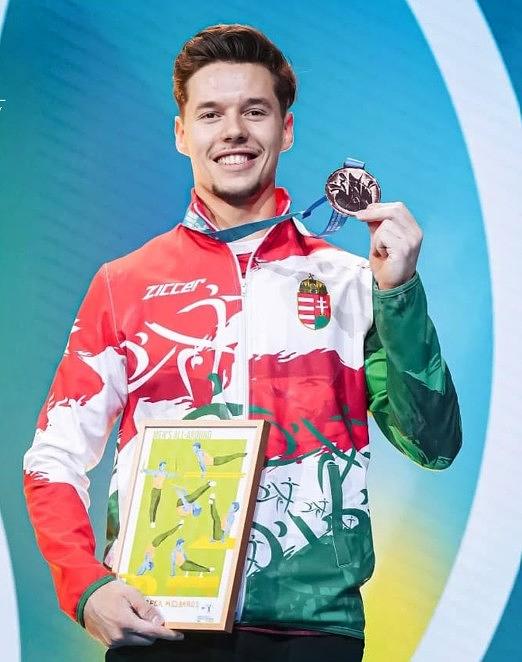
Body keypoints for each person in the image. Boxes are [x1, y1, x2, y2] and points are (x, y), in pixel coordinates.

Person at [23, 23, 462, 662]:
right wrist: (85, 587)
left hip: (314, 633)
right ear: (182, 133)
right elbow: (53, 456)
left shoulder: (351, 281)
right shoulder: (123, 285)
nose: (233, 130)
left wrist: (400, 293)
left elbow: (434, 444)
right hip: (159, 622)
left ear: (286, 129)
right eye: (211, 114)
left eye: (255, 111)